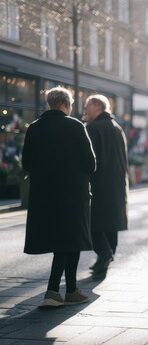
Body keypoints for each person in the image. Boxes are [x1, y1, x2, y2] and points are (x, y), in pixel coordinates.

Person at [22, 87, 96, 307]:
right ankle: (53, 291)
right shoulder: (75, 126)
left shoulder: (34, 128)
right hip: (73, 193)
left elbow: (26, 163)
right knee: (69, 239)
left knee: (65, 241)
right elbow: (91, 163)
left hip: (44, 194)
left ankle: (71, 290)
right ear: (67, 104)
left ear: (49, 103)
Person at [83, 94, 129, 280]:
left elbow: (87, 159)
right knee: (111, 224)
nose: (85, 110)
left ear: (97, 106)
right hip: (117, 184)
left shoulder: (92, 128)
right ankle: (104, 261)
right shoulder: (117, 128)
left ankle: (104, 254)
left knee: (92, 224)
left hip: (98, 183)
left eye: (87, 106)